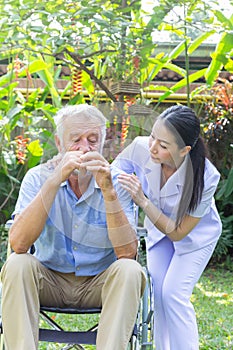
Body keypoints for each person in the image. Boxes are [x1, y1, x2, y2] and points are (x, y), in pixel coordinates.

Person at [0, 104, 146, 350]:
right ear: (59, 143)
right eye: (75, 140)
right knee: (17, 263)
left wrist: (108, 191)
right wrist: (55, 179)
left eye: (92, 140)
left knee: (130, 269)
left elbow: (126, 253)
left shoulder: (117, 181)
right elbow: (19, 243)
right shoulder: (37, 177)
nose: (85, 148)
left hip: (100, 282)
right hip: (48, 280)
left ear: (102, 143)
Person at [113, 104, 222, 350]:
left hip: (194, 240)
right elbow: (115, 171)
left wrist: (142, 200)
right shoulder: (142, 147)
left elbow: (178, 232)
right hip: (158, 236)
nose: (152, 147)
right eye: (153, 136)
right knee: (159, 298)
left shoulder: (206, 177)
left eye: (163, 146)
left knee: (174, 294)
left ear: (184, 150)